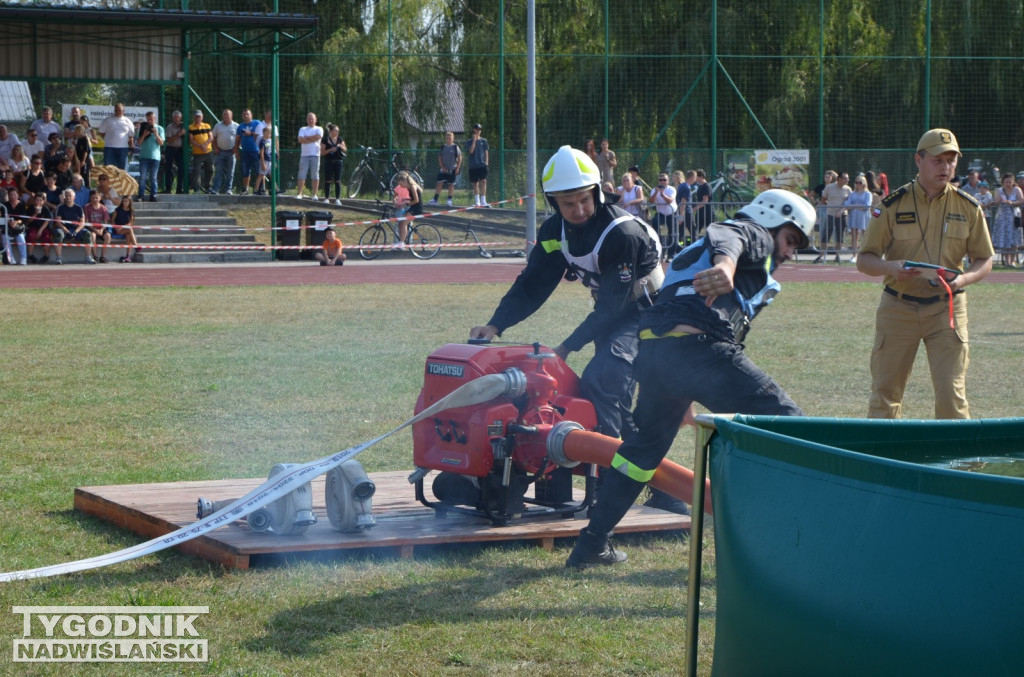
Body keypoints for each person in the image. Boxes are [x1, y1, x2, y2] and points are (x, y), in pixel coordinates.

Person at [565, 188, 815, 568]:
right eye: (791, 239)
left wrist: (684, 393)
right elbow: (733, 236)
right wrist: (727, 266)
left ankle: (591, 545)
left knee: (639, 458)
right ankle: (799, 538)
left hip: (656, 355)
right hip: (698, 349)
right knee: (795, 431)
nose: (789, 252)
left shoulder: (707, 253)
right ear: (770, 218)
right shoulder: (753, 233)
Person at [470, 146, 675, 515]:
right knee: (607, 393)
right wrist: (495, 323)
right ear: (553, 203)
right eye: (568, 204)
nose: (579, 210)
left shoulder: (621, 232)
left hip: (650, 312)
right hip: (615, 310)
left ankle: (614, 486)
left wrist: (566, 347)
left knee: (603, 378)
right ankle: (662, 485)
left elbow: (615, 306)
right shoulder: (554, 232)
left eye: (584, 200)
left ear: (597, 192)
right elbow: (532, 283)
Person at [856, 128, 994, 420]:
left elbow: (985, 259)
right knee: (885, 395)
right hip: (898, 307)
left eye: (951, 161)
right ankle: (880, 463)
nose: (946, 167)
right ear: (918, 160)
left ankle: (956, 465)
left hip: (947, 308)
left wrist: (964, 279)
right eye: (938, 160)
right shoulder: (892, 205)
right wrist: (890, 267)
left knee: (951, 396)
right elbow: (864, 260)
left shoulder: (968, 208)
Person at [990, 172, 1023, 268]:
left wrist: (1012, 203)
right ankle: (1007, 261)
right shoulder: (1000, 190)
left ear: (1013, 182)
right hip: (1002, 218)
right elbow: (996, 202)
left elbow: (1022, 200)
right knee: (1004, 239)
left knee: (1014, 239)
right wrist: (996, 201)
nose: (1007, 184)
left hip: (1014, 217)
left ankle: (1012, 261)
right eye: (1006, 182)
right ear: (1003, 182)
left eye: (1009, 182)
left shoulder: (1017, 189)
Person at [818, 171, 851, 262]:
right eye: (845, 178)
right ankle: (821, 256)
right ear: (839, 179)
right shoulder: (829, 187)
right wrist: (827, 205)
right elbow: (823, 199)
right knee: (826, 235)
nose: (847, 180)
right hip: (830, 214)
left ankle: (838, 256)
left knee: (840, 236)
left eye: (847, 178)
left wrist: (842, 211)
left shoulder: (848, 189)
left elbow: (849, 202)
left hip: (842, 215)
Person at [52, 187, 88, 265]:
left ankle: (88, 257)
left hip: (76, 230)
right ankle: (58, 258)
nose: (68, 197)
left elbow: (82, 223)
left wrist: (75, 232)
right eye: (67, 196)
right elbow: (58, 222)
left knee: (87, 234)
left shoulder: (79, 208)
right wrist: (67, 232)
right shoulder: (60, 208)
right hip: (64, 229)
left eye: (70, 196)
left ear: (74, 197)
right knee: (58, 234)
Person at [843, 174, 873, 262]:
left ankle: (865, 255)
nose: (858, 184)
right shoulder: (853, 193)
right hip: (854, 216)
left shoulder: (868, 193)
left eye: (860, 182)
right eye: (856, 182)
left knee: (865, 236)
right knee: (854, 236)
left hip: (864, 216)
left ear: (864, 183)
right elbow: (847, 204)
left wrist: (854, 206)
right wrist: (856, 206)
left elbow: (867, 205)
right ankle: (854, 255)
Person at [97, 103, 135, 169]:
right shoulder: (107, 120)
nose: (118, 112)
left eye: (120, 110)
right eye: (116, 110)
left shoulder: (128, 121)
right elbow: (101, 133)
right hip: (109, 148)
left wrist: (131, 147)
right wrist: (108, 139)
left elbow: (131, 136)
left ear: (123, 111)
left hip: (123, 149)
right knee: (109, 169)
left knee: (122, 170)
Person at [391, 171, 423, 250]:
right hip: (413, 207)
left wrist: (407, 204)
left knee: (404, 222)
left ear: (405, 181)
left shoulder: (412, 186)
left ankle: (402, 243)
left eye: (402, 184)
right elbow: (410, 199)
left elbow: (416, 200)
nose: (401, 186)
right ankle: (401, 241)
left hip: (417, 208)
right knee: (401, 223)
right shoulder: (408, 188)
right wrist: (404, 202)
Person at [295, 112, 323, 200]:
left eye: (312, 118)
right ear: (307, 120)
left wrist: (306, 138)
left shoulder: (319, 128)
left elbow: (318, 137)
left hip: (316, 155)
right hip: (304, 155)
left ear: (315, 120)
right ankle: (299, 193)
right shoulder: (302, 129)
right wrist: (312, 139)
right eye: (309, 118)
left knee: (315, 174)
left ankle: (314, 194)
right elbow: (300, 139)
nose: (311, 120)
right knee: (302, 174)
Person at [428, 131, 461, 207]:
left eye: (450, 138)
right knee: (439, 183)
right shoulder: (443, 147)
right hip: (443, 170)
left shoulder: (456, 147)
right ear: (445, 139)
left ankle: (449, 200)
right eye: (447, 138)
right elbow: (439, 158)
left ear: (453, 138)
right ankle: (435, 199)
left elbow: (459, 157)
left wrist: (458, 168)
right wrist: (442, 167)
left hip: (452, 169)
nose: (448, 139)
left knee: (451, 185)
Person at [136, 111, 164, 202]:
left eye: (151, 119)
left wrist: (155, 133)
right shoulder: (143, 128)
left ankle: (153, 195)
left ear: (155, 119)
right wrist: (144, 134)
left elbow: (161, 143)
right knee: (143, 177)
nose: (150, 121)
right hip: (144, 156)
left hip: (155, 157)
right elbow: (139, 143)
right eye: (148, 120)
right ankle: (141, 195)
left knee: (153, 177)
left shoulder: (160, 128)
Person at [647, 172, 676, 257]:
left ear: (668, 181)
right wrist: (656, 192)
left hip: (672, 213)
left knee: (672, 232)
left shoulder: (671, 189)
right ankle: (661, 247)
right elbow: (651, 201)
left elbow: (670, 200)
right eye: (660, 180)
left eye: (664, 180)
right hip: (661, 213)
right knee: (655, 223)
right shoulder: (654, 189)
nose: (662, 181)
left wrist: (662, 194)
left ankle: (671, 254)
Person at [233, 109, 261, 196]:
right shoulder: (240, 126)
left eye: (247, 114)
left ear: (251, 115)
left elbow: (262, 134)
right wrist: (236, 152)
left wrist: (251, 133)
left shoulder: (257, 123)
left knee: (259, 171)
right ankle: (245, 189)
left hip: (256, 151)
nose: (246, 116)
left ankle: (260, 188)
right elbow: (237, 140)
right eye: (244, 114)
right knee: (245, 171)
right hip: (245, 152)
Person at [211, 109, 238, 195]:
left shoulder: (236, 126)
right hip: (220, 152)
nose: (225, 116)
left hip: (232, 152)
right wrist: (215, 148)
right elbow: (213, 137)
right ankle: (215, 189)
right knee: (218, 171)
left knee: (230, 172)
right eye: (224, 114)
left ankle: (228, 189)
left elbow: (239, 138)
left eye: (227, 114)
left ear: (231, 116)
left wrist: (236, 148)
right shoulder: (218, 125)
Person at [320, 122, 347, 205]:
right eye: (336, 131)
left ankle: (337, 199)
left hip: (338, 161)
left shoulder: (340, 139)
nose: (337, 132)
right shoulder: (325, 140)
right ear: (331, 131)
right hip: (329, 161)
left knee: (337, 180)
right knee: (328, 180)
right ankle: (327, 198)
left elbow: (345, 150)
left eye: (338, 131)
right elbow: (322, 152)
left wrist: (339, 146)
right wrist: (330, 149)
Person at [23, 192, 54, 264]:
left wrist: (40, 230)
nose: (38, 202)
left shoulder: (45, 209)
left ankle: (46, 255)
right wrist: (36, 213)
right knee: (31, 236)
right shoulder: (30, 208)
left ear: (43, 201)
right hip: (33, 226)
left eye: (40, 200)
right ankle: (30, 255)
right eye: (37, 200)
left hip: (43, 227)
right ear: (34, 200)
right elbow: (28, 220)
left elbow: (47, 220)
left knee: (46, 236)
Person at [188, 110, 214, 194]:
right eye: (196, 116)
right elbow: (191, 140)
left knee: (210, 170)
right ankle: (196, 189)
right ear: (194, 117)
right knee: (196, 171)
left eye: (199, 116)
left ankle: (208, 187)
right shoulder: (191, 127)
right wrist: (200, 146)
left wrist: (205, 145)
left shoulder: (207, 126)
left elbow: (211, 137)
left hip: (208, 152)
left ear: (202, 117)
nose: (198, 118)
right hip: (197, 154)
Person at [83, 189, 112, 263]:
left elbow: (106, 222)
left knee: (108, 236)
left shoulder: (103, 208)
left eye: (96, 197)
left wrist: (102, 230)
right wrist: (95, 230)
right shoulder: (86, 207)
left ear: (100, 198)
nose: (95, 199)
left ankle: (103, 256)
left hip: (101, 228)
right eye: (93, 198)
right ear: (90, 198)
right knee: (92, 236)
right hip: (91, 228)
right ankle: (95, 256)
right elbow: (86, 222)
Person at [111, 194, 140, 262]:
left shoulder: (131, 211)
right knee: (129, 230)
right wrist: (116, 227)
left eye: (126, 201)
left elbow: (131, 222)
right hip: (118, 229)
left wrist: (124, 226)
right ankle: (136, 246)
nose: (125, 203)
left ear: (129, 202)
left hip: (126, 229)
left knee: (128, 234)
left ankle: (127, 255)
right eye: (124, 201)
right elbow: (112, 220)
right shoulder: (117, 210)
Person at [466, 123, 489, 207]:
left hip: (482, 165)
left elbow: (486, 153)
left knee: (484, 181)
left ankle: (483, 201)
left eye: (479, 130)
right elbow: (471, 151)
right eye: (476, 129)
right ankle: (477, 201)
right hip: (473, 165)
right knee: (475, 183)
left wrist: (486, 163)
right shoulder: (469, 141)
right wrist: (474, 141)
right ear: (473, 130)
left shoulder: (484, 141)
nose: (478, 131)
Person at [162, 111, 186, 194]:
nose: (176, 118)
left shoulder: (184, 126)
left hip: (180, 150)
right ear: (172, 118)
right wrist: (179, 134)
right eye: (175, 117)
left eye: (178, 117)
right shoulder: (169, 127)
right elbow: (169, 140)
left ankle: (179, 189)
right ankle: (168, 189)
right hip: (170, 148)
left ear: (181, 118)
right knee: (168, 168)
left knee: (181, 169)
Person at [3, 188, 28, 265]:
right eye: (11, 195)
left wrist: (16, 222)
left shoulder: (22, 204)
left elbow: (23, 219)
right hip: (8, 227)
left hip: (18, 227)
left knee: (21, 238)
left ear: (18, 195)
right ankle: (11, 258)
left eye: (14, 194)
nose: (13, 196)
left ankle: (23, 258)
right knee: (4, 237)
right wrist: (9, 222)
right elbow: (3, 216)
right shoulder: (5, 205)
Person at [255, 125, 273, 196]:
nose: (270, 135)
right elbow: (261, 153)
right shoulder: (262, 142)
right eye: (269, 133)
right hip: (264, 160)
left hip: (269, 160)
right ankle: (256, 189)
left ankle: (274, 189)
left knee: (272, 175)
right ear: (265, 133)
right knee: (261, 175)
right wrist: (263, 164)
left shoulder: (269, 141)